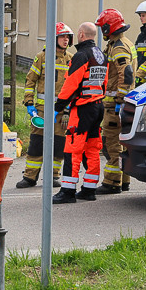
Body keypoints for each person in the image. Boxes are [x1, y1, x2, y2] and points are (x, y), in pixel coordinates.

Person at [52, 22, 106, 204]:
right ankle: (89, 189)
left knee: (72, 149)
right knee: (92, 149)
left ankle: (67, 191)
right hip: (98, 106)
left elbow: (72, 82)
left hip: (83, 108)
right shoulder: (100, 55)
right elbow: (104, 82)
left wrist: (59, 105)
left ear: (82, 34)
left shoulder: (81, 55)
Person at [17, 22, 73, 190]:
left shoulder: (71, 59)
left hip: (61, 112)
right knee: (37, 142)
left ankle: (54, 175)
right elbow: (30, 80)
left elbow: (73, 87)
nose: (65, 40)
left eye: (67, 37)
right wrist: (29, 103)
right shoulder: (42, 56)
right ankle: (30, 177)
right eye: (62, 36)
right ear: (54, 38)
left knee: (58, 143)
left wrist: (68, 111)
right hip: (41, 110)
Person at [95, 9, 136, 194]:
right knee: (121, 144)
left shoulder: (118, 47)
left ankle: (112, 182)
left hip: (114, 105)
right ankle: (124, 180)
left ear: (108, 27)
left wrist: (119, 100)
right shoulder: (121, 43)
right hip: (120, 103)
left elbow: (125, 75)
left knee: (111, 144)